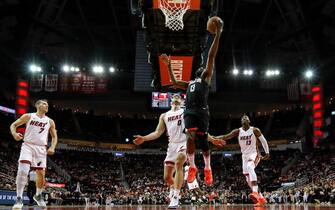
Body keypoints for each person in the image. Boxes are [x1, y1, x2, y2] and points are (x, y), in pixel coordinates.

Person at [161, 16, 223, 186]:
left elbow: (211, 56)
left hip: (202, 111)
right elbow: (173, 83)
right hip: (189, 112)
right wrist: (168, 65)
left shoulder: (206, 79)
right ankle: (193, 167)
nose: (203, 67)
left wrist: (218, 34)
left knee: (203, 142)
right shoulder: (189, 83)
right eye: (201, 67)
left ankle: (208, 168)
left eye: (204, 67)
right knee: (189, 136)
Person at [133, 94, 187, 208]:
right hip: (172, 145)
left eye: (179, 97)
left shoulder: (185, 112)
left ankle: (176, 197)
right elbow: (157, 133)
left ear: (182, 102)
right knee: (167, 177)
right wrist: (144, 138)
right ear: (170, 101)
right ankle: (174, 187)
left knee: (179, 162)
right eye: (174, 97)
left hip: (183, 142)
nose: (176, 97)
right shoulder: (164, 115)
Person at [210, 115, 269, 206]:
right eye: (242, 118)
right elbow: (225, 136)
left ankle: (255, 192)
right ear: (241, 122)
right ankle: (261, 198)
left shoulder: (255, 130)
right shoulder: (238, 131)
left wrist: (267, 152)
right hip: (244, 156)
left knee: (250, 167)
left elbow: (264, 141)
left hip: (254, 154)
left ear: (249, 121)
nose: (244, 118)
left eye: (246, 118)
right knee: (248, 179)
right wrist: (213, 138)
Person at [10, 99, 58, 209]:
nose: (46, 105)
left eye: (47, 104)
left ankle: (38, 195)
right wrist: (14, 134)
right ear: (37, 105)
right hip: (28, 145)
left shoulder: (50, 121)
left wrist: (52, 147)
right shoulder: (28, 116)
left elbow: (54, 136)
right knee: (22, 170)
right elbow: (13, 125)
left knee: (41, 175)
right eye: (44, 103)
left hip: (41, 149)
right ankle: (19, 199)